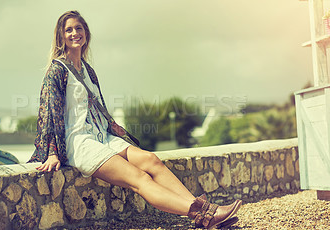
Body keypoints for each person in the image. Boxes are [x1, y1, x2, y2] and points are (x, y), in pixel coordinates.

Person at [28, 10, 242, 229]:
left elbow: (94, 106)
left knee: (152, 160)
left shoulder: (88, 70)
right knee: (140, 178)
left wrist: (112, 126)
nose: (75, 33)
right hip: (81, 143)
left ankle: (203, 213)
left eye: (79, 28)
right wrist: (53, 152)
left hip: (103, 136)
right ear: (61, 36)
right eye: (69, 30)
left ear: (86, 33)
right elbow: (47, 112)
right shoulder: (57, 70)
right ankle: (204, 213)